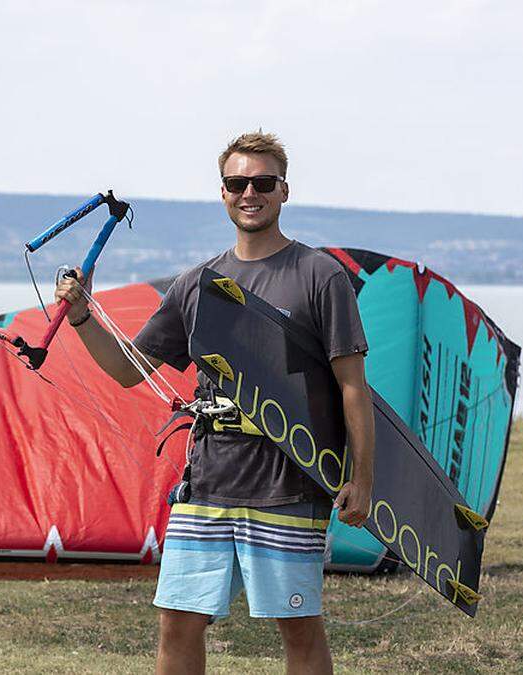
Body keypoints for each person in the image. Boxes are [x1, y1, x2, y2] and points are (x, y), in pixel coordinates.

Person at [55, 131, 376, 675]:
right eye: (237, 182)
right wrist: (83, 315)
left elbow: (352, 386)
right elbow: (130, 370)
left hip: (288, 483)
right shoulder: (197, 283)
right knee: (177, 621)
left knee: (297, 626)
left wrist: (362, 478)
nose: (250, 192)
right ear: (223, 193)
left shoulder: (319, 275)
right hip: (207, 481)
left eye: (263, 182)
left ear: (283, 191)